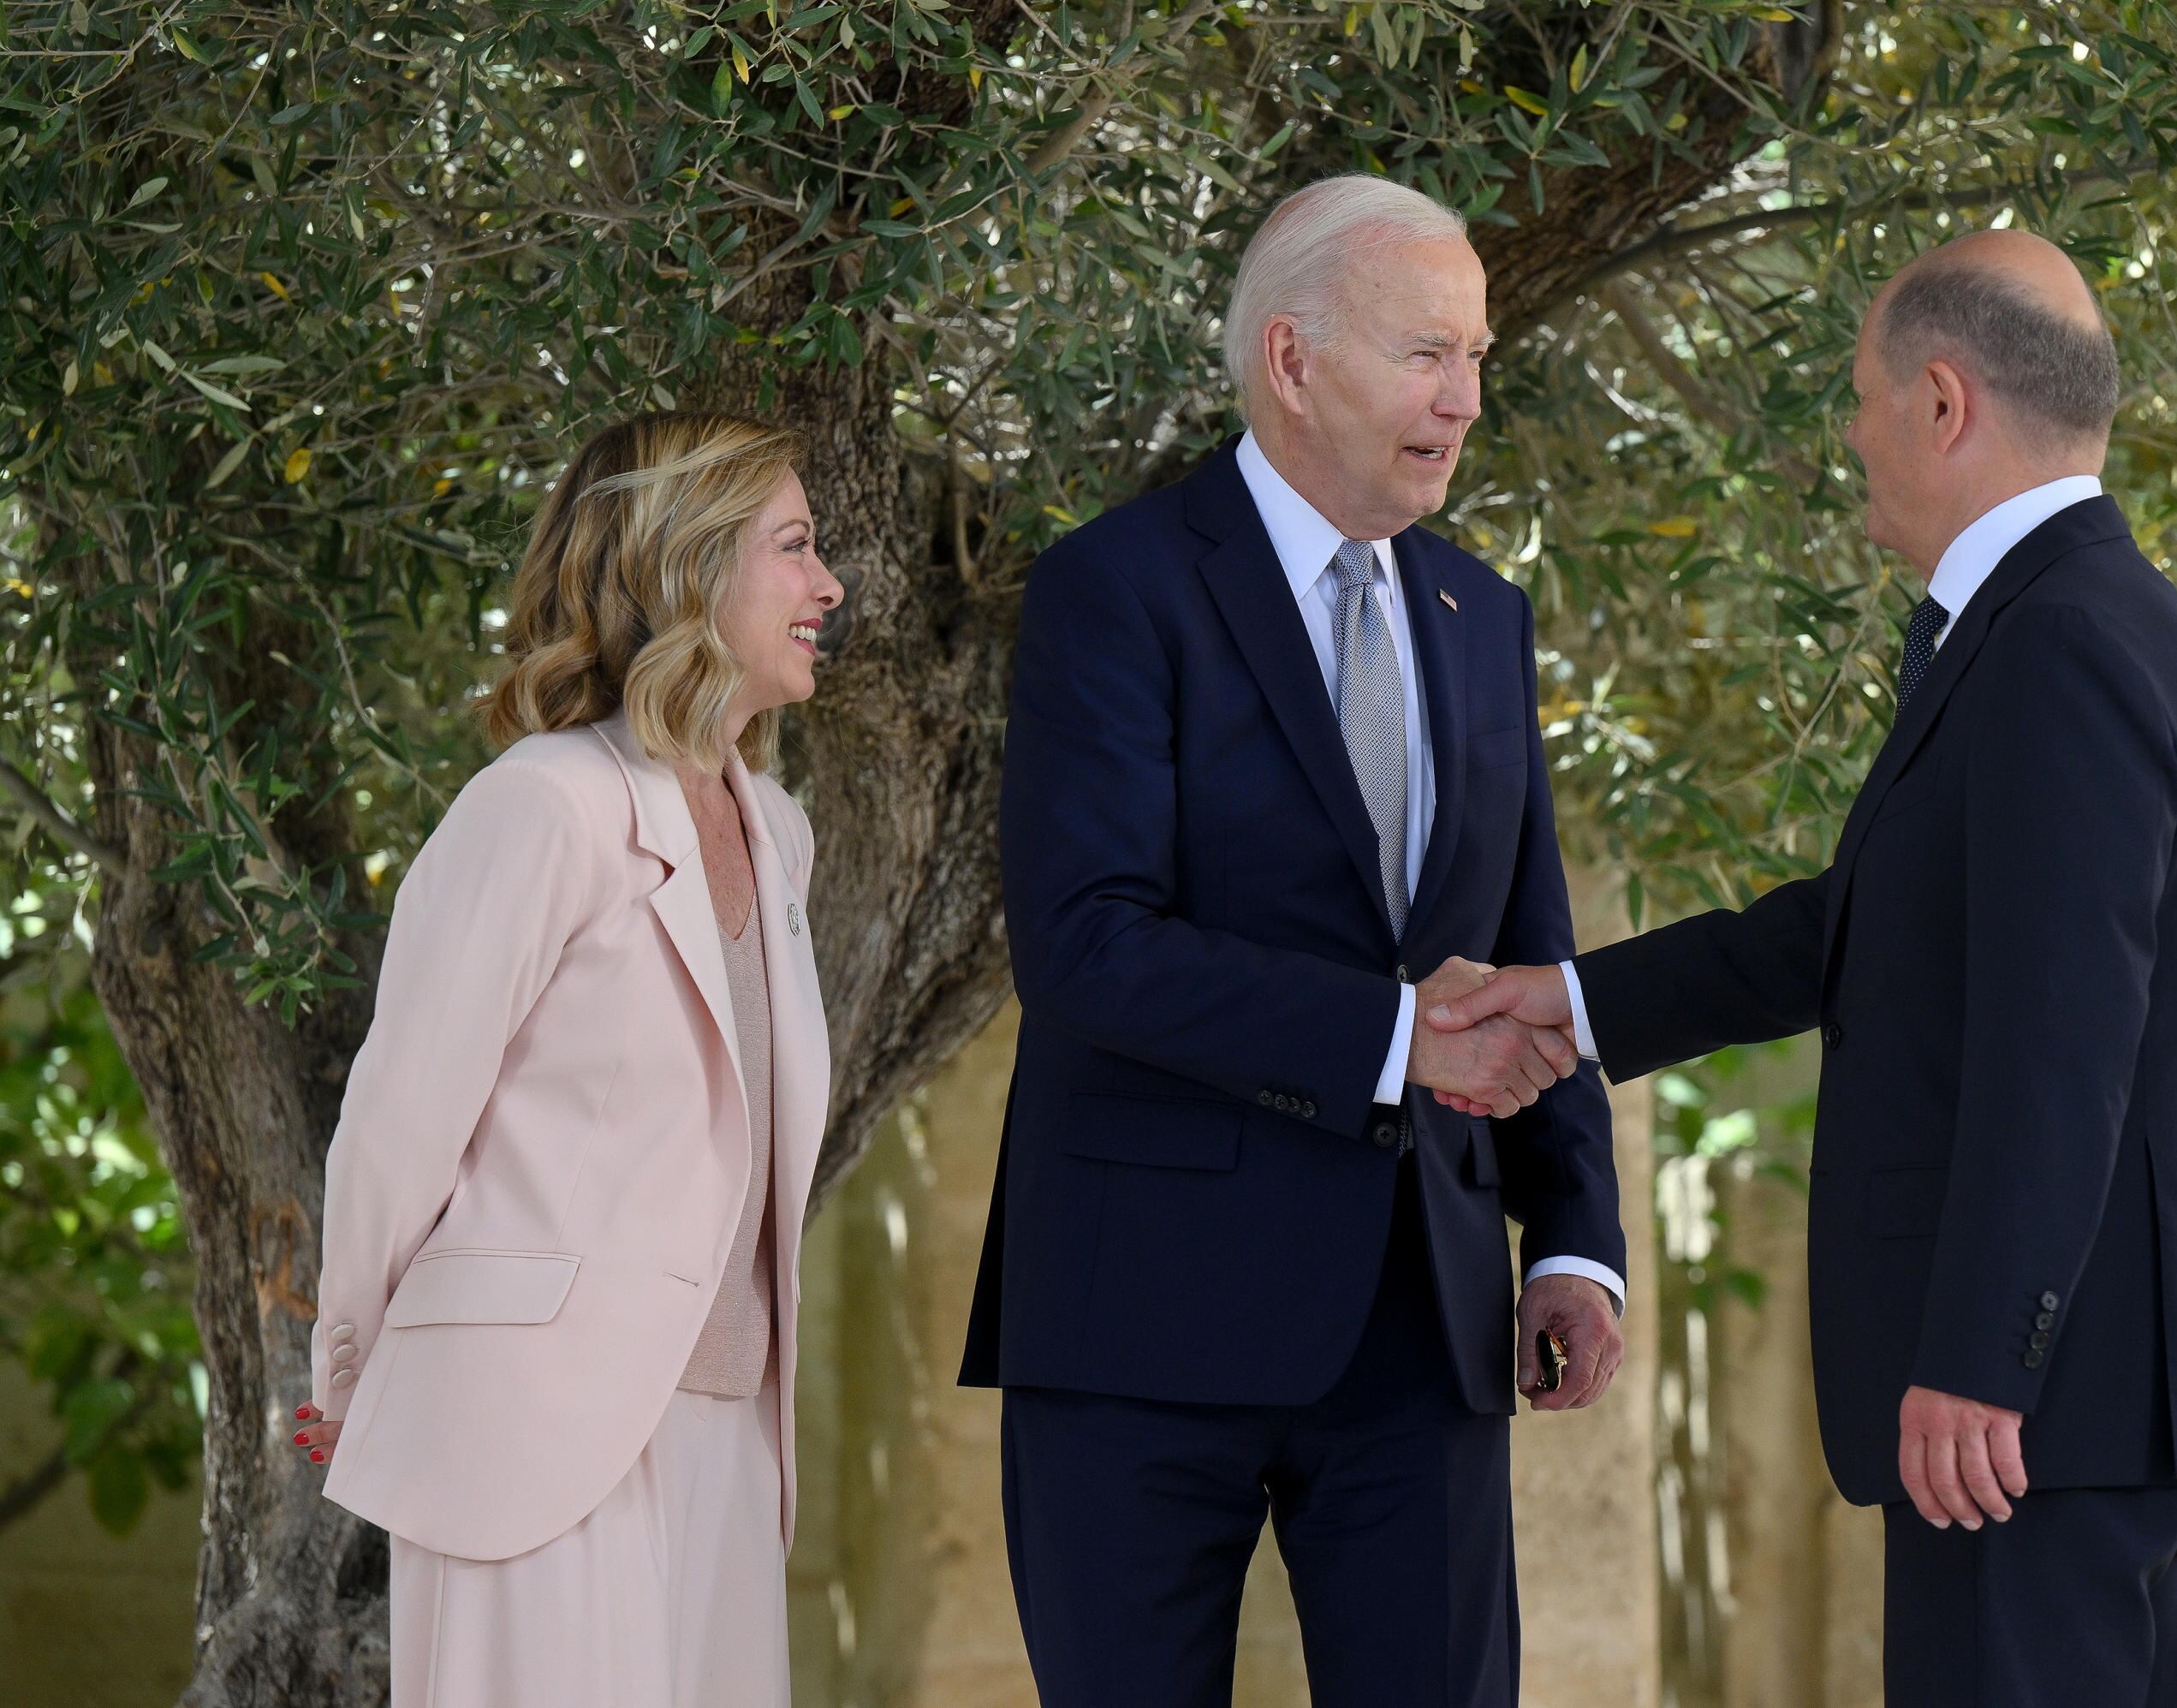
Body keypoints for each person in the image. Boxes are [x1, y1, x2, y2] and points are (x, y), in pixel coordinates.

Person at [1430, 229, 2177, 1706]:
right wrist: (1568, 1002)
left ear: (1942, 404)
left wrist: (1984, 1356)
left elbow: (2064, 1041)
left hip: (2036, 1414)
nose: (1850, 431)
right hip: (2076, 1406)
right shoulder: (2065, 623)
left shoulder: (2060, 641)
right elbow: (1864, 933)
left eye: (1863, 396)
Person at [960, 175, 1626, 1708]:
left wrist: (1574, 1241)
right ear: (1291, 360)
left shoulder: (1482, 613)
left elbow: (1532, 955)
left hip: (1428, 1328)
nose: (1465, 400)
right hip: (1140, 1325)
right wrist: (1395, 1038)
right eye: (1427, 356)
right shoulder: (1112, 590)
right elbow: (1081, 942)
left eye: (1477, 360)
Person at [294, 413, 845, 1708]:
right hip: (531, 1429)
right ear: (689, 568)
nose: (827, 586)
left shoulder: (780, 835)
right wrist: (353, 1378)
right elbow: (396, 1125)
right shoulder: (543, 806)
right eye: (794, 547)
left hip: (728, 1428)